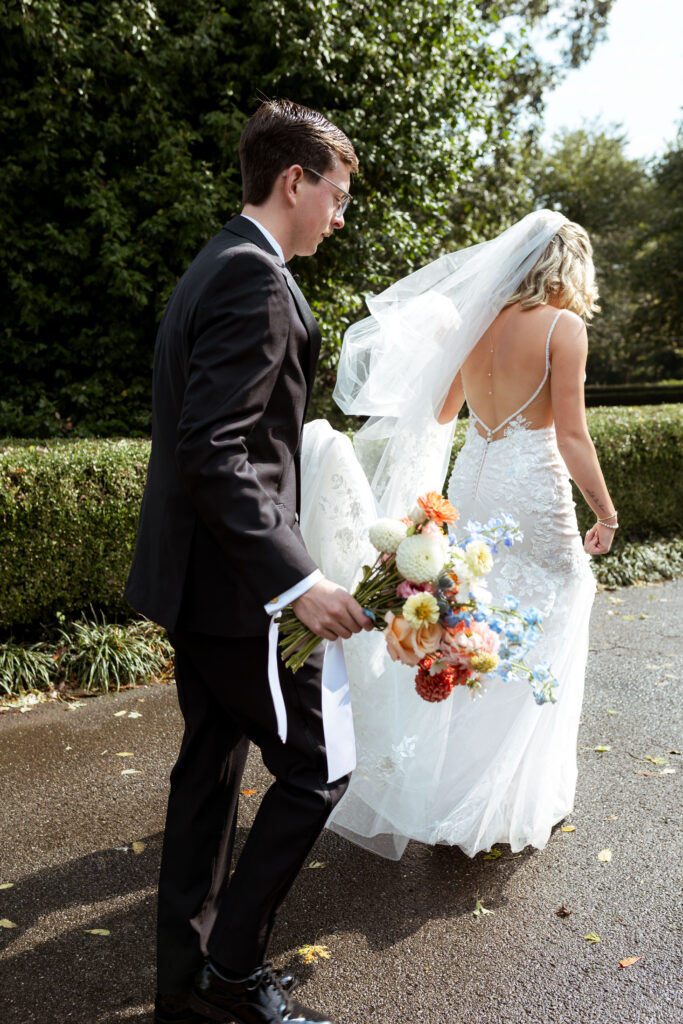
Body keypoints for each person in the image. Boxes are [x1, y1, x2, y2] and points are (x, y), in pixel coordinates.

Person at [125, 99, 372, 1024]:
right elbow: (216, 450)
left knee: (210, 772)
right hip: (239, 593)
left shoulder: (213, 264)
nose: (339, 217)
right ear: (293, 180)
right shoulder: (256, 281)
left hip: (199, 584)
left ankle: (181, 986)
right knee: (315, 769)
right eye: (336, 196)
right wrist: (297, 581)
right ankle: (232, 975)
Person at [300, 211, 616, 861]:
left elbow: (441, 412)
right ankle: (511, 796)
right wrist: (605, 513)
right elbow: (571, 436)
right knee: (553, 614)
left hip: (473, 481)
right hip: (532, 491)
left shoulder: (474, 324)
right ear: (568, 269)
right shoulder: (563, 327)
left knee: (478, 621)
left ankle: (452, 789)